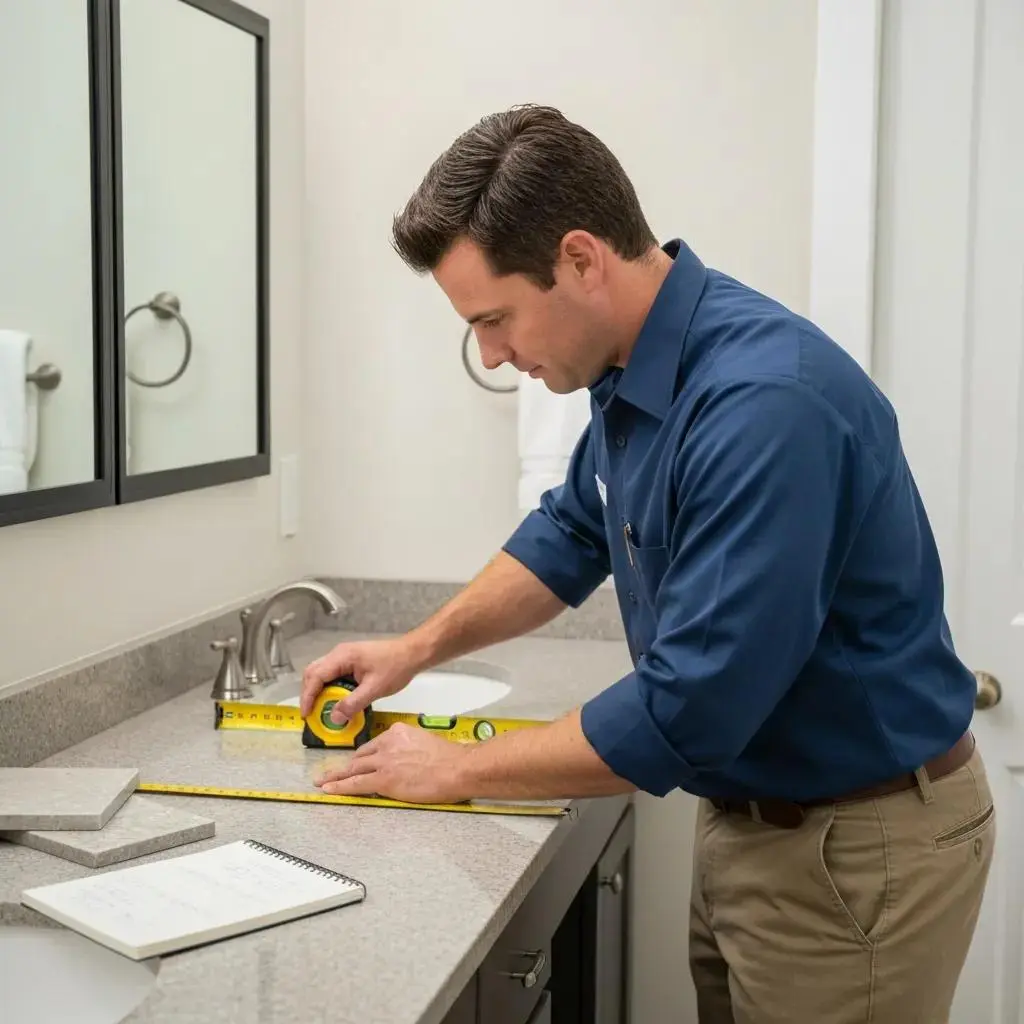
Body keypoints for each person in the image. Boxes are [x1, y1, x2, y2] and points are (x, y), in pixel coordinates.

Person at [301, 104, 994, 1022]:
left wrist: (457, 767)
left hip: (853, 851)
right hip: (759, 822)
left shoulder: (764, 404)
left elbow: (690, 703)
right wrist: (415, 650)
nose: (494, 354)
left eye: (497, 318)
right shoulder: (630, 373)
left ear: (582, 259)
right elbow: (570, 533)